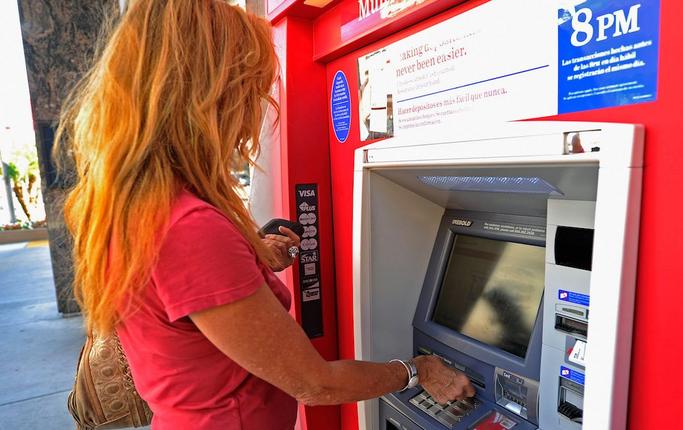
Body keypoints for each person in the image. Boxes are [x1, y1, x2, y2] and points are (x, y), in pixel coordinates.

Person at [54, 1, 474, 429]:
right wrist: (416, 370)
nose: (255, 111)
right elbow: (316, 384)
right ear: (210, 94)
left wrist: (246, 258)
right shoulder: (187, 228)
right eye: (251, 90)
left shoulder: (134, 204)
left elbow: (183, 300)